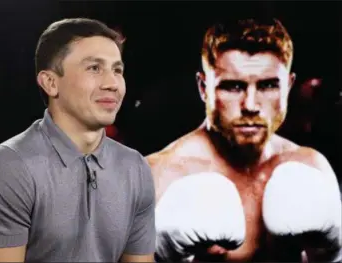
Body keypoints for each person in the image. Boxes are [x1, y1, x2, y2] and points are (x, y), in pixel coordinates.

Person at [146, 18, 341, 262]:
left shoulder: (311, 166)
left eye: (268, 85)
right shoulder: (159, 176)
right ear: (203, 88)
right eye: (233, 87)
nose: (250, 105)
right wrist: (161, 255)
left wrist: (331, 255)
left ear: (288, 87)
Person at [0, 18, 156, 262]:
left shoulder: (135, 168)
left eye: (117, 70)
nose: (112, 84)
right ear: (50, 82)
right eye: (94, 68)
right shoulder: (7, 169)